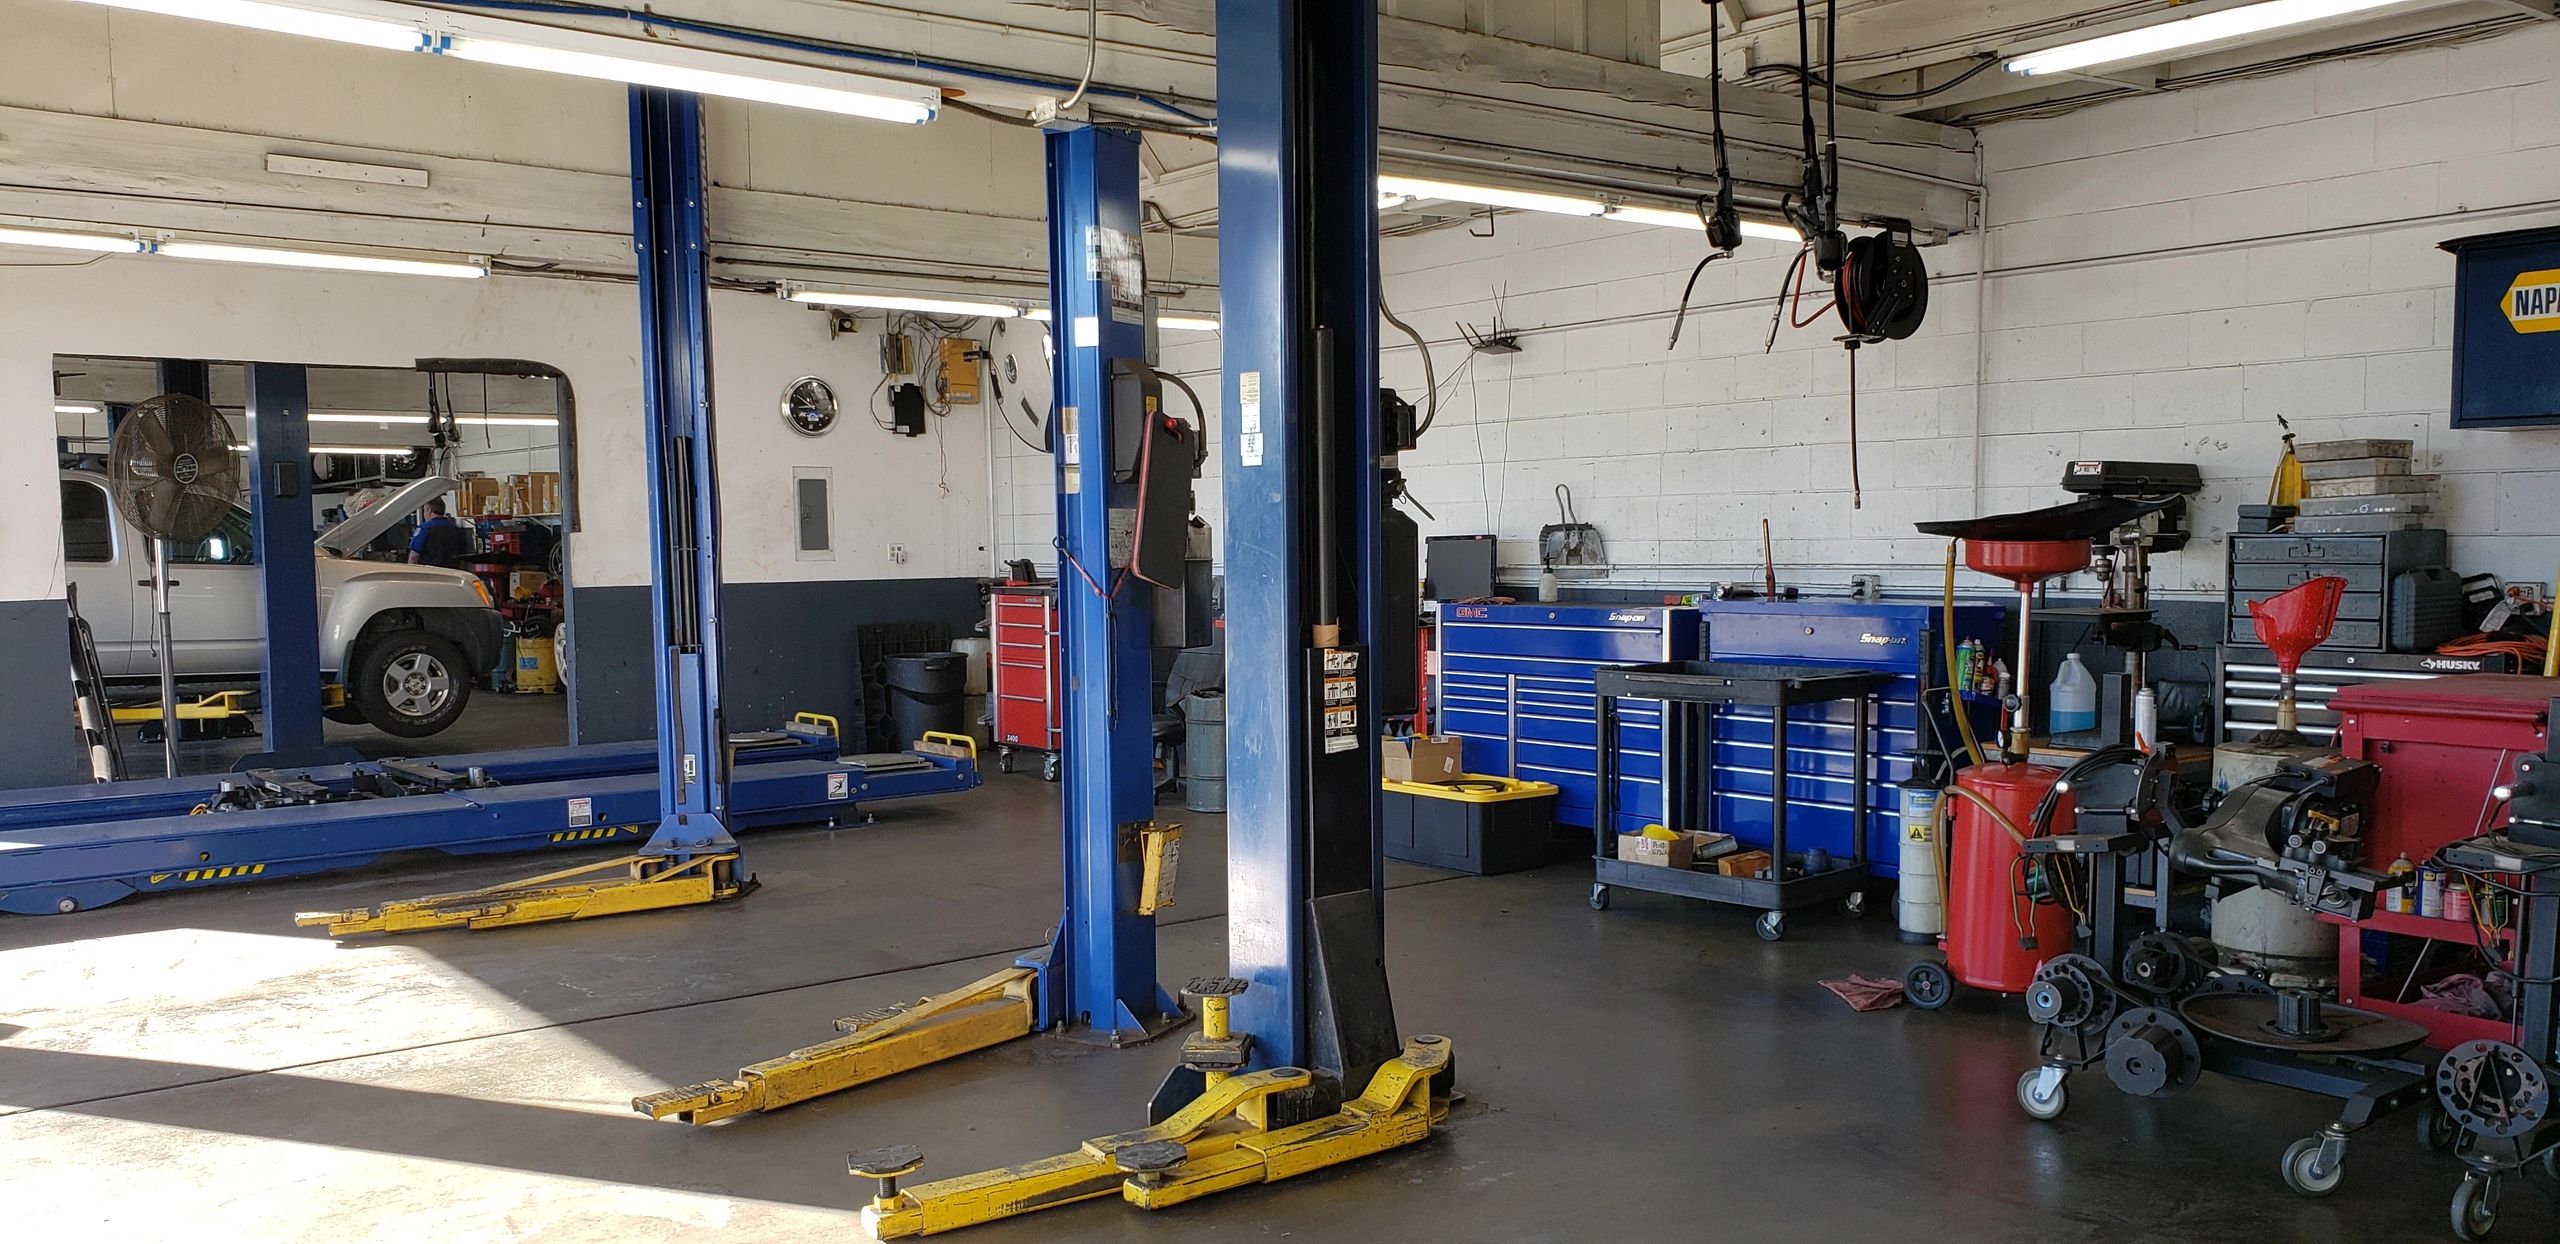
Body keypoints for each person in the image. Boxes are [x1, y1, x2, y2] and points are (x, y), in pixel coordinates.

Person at [408, 498, 473, 568]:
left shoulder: (424, 528)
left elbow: (414, 556)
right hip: (452, 573)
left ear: (429, 510)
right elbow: (462, 557)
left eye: (424, 511)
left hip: (431, 573)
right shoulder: (455, 528)